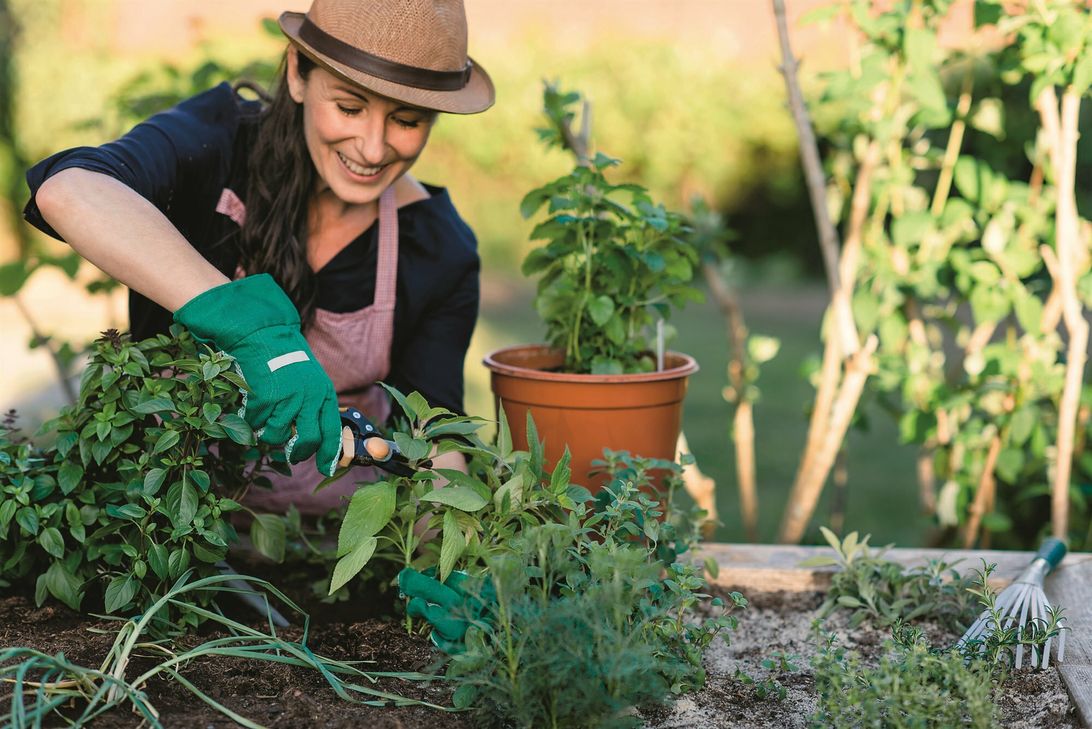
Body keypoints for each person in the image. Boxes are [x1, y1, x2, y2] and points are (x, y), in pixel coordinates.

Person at [23, 0, 494, 515]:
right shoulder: (217, 145)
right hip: (166, 535)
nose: (374, 149)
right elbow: (70, 191)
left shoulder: (436, 247)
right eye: (349, 108)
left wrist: (451, 569)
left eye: (407, 120)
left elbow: (436, 442)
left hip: (329, 554)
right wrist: (250, 327)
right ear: (297, 72)